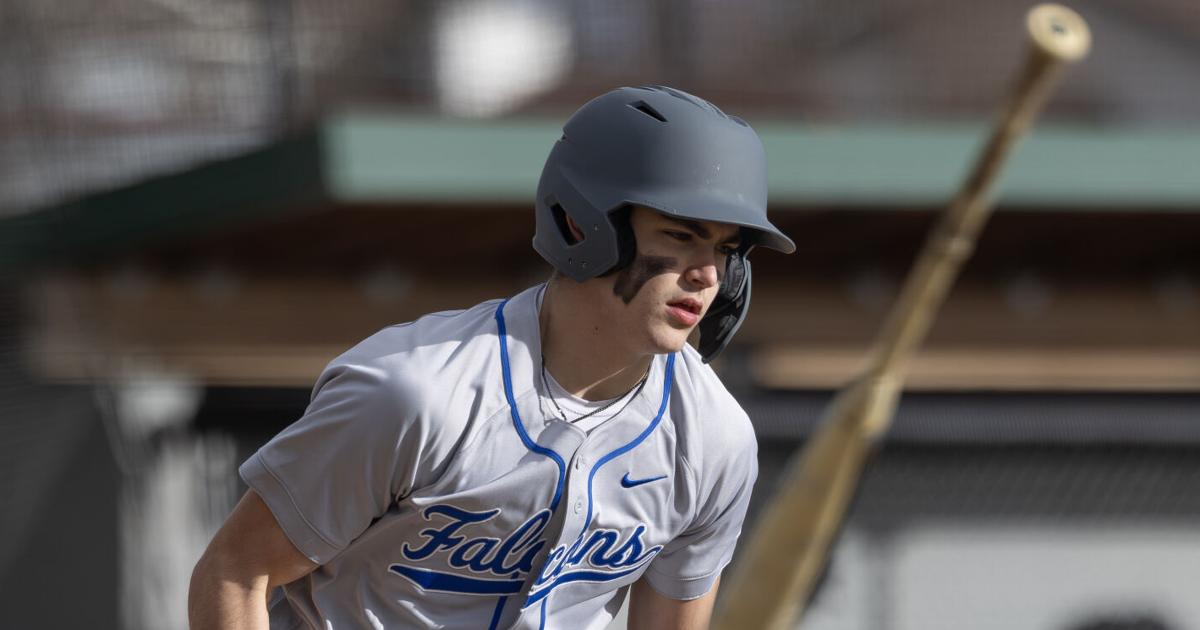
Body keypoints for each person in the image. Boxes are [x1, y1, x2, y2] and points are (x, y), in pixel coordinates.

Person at [189, 85, 795, 630]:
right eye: (681, 235)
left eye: (726, 249)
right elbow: (235, 574)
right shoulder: (414, 394)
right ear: (585, 223)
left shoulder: (713, 438)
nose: (707, 274)